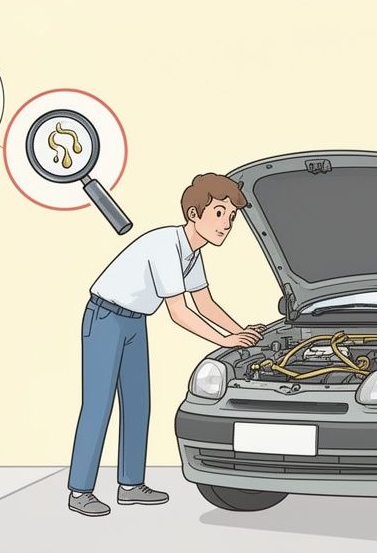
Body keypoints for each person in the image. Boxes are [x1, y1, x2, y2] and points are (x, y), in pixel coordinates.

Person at [67, 173, 265, 517]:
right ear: (194, 213)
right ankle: (80, 491)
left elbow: (206, 304)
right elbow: (179, 312)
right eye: (219, 213)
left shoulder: (193, 253)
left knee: (138, 403)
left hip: (134, 321)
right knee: (98, 406)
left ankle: (130, 485)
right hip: (105, 319)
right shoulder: (166, 246)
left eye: (231, 217)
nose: (226, 224)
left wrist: (242, 332)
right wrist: (225, 340)